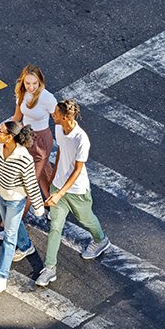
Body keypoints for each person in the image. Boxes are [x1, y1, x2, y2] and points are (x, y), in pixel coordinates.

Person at [35, 99, 109, 287]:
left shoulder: (81, 138)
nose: (53, 116)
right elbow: (60, 150)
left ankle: (100, 240)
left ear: (66, 117)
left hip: (76, 191)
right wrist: (53, 178)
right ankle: (49, 268)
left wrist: (60, 194)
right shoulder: (60, 129)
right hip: (59, 186)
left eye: (56, 114)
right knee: (55, 228)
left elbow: (77, 170)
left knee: (86, 220)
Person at [0, 121, 45, 293]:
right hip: (0, 194)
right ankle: (27, 246)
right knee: (11, 223)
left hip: (15, 199)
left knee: (9, 236)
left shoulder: (24, 158)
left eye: (1, 132)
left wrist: (37, 205)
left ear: (10, 137)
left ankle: (1, 277)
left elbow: (31, 184)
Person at [0, 64, 56, 242]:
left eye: (35, 84)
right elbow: (17, 117)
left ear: (40, 82)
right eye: (28, 83)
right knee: (44, 174)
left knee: (28, 181)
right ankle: (55, 204)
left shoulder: (47, 98)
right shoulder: (21, 94)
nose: (31, 87)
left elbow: (58, 120)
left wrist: (66, 142)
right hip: (26, 138)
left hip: (41, 142)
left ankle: (11, 225)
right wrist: (7, 134)